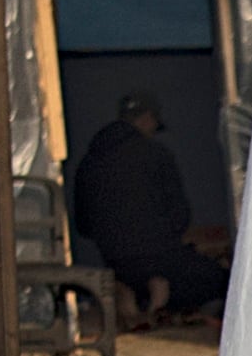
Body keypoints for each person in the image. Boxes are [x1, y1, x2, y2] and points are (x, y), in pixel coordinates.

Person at [71, 92, 220, 326]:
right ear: (147, 119)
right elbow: (180, 215)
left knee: (135, 273)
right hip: (160, 257)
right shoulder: (157, 155)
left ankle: (130, 297)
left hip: (113, 259)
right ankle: (158, 301)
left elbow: (83, 225)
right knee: (218, 280)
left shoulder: (89, 161)